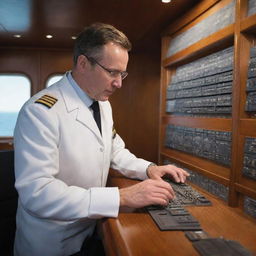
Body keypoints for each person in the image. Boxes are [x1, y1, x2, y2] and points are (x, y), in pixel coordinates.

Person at [13, 23, 189, 256]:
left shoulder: (102, 104)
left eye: (122, 73)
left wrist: (149, 169)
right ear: (83, 63)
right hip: (53, 243)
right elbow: (38, 193)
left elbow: (114, 150)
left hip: (89, 229)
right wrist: (122, 196)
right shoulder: (40, 111)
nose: (119, 83)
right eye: (112, 72)